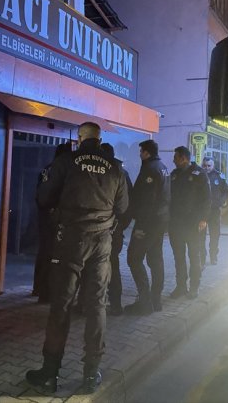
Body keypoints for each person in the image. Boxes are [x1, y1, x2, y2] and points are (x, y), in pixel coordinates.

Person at [25, 122, 129, 395]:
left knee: (61, 305)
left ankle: (50, 374)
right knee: (96, 306)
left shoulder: (66, 162)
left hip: (70, 240)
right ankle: (91, 373)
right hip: (102, 243)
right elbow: (123, 207)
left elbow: (43, 197)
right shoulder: (115, 166)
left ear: (79, 138)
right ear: (100, 139)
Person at [124, 140, 170, 315]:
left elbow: (148, 201)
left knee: (133, 258)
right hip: (159, 222)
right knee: (155, 259)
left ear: (147, 153)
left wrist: (140, 225)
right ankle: (155, 300)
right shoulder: (162, 166)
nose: (139, 154)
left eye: (141, 151)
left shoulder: (150, 169)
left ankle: (145, 303)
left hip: (148, 223)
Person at [168, 146, 210, 300]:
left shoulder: (199, 174)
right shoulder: (174, 175)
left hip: (193, 224)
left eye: (176, 157)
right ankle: (181, 287)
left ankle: (194, 287)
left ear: (184, 158)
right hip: (176, 224)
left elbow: (207, 198)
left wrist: (204, 219)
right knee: (178, 257)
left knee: (194, 256)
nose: (173, 160)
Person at [34, 142, 73, 304]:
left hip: (44, 217)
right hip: (55, 218)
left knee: (44, 253)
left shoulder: (47, 168)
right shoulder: (62, 171)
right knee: (54, 256)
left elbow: (40, 194)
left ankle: (38, 288)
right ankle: (46, 293)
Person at [101, 142, 133, 316]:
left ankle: (111, 303)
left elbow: (125, 205)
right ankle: (115, 304)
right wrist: (120, 226)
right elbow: (129, 205)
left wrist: (117, 226)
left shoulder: (110, 172)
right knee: (112, 265)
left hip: (108, 229)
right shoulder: (122, 173)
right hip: (115, 229)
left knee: (106, 266)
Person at [200, 157, 228, 266]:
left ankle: (213, 257)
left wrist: (221, 201)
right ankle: (202, 258)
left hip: (214, 211)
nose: (207, 168)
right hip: (202, 212)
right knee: (200, 236)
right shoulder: (199, 176)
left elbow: (225, 191)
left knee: (215, 235)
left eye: (209, 165)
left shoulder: (219, 176)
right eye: (205, 165)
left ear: (213, 166)